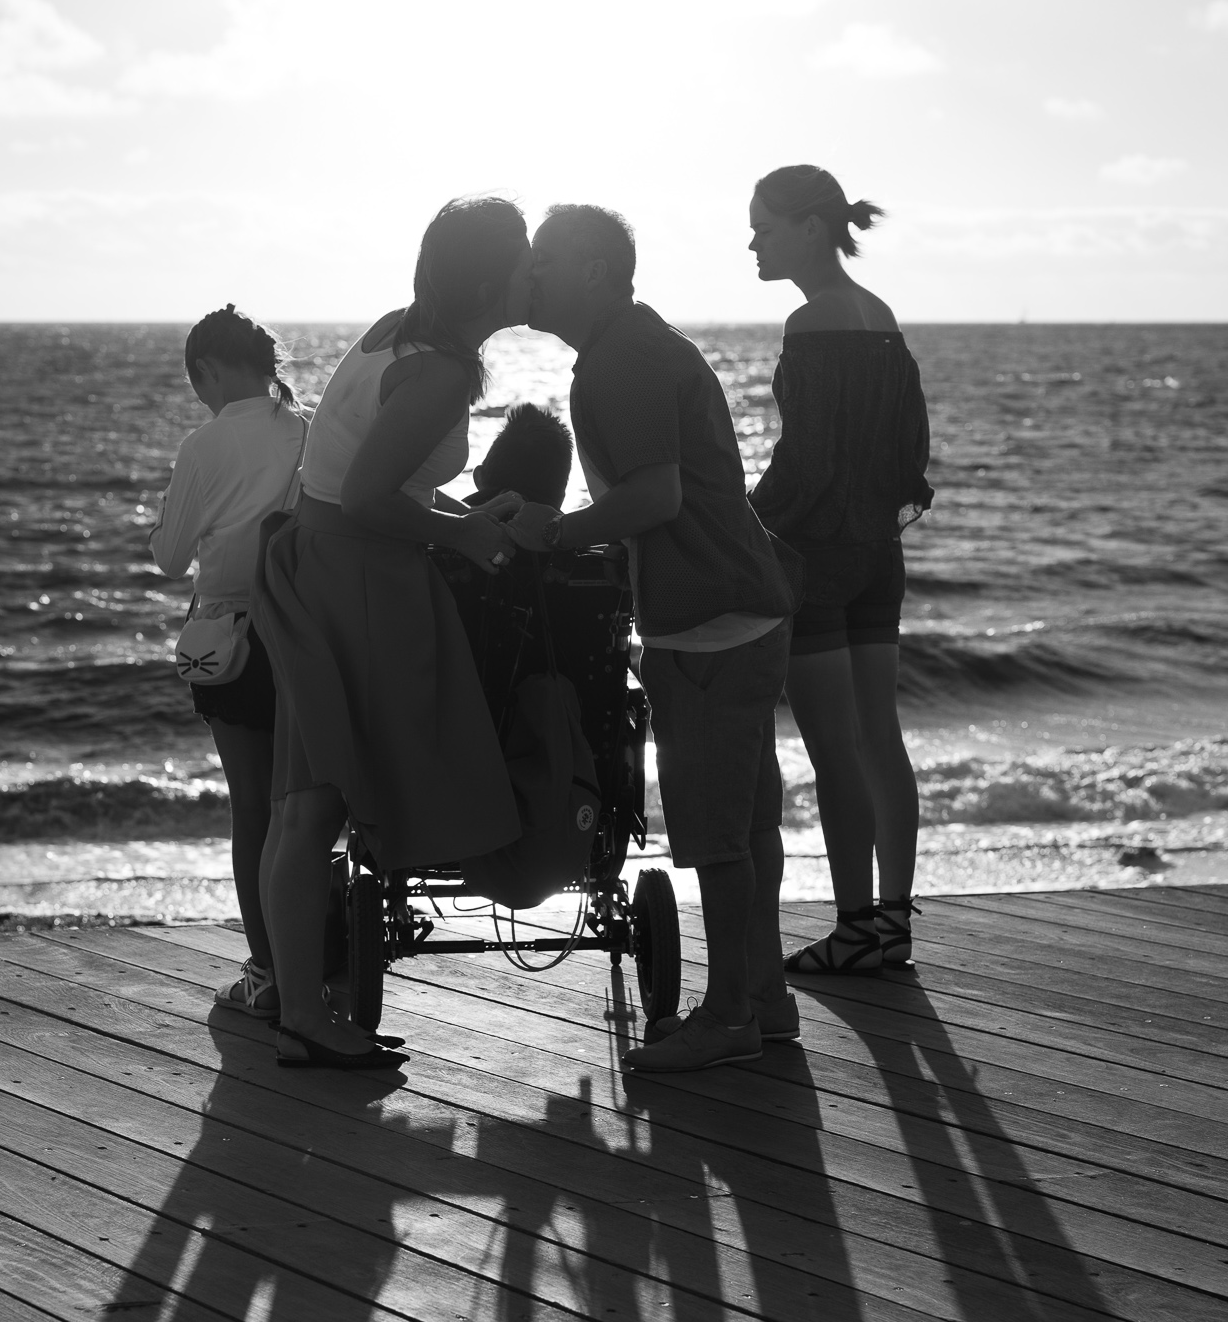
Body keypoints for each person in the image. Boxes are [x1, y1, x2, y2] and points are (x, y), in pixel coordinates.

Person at [507, 204, 802, 1074]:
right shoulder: (639, 344)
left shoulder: (618, 363)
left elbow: (656, 496)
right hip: (743, 607)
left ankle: (728, 1016)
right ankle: (763, 997)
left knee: (716, 834)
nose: (529, 273)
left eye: (546, 259)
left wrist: (553, 533)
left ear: (595, 269)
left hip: (708, 622)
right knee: (747, 825)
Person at [253, 196, 529, 1070]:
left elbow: (357, 479)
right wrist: (466, 534)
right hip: (356, 579)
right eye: (523, 259)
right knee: (316, 800)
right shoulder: (442, 373)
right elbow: (370, 497)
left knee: (302, 798)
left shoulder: (394, 333)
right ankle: (303, 1012)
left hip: (322, 557)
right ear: (490, 279)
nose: (533, 273)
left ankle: (297, 999)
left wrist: (457, 510)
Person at [747, 165, 933, 971]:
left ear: (811, 228)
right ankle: (891, 921)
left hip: (817, 559)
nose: (753, 240)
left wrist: (743, 522)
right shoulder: (880, 317)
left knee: (832, 753)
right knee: (880, 741)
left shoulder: (809, 322)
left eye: (765, 225)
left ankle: (853, 929)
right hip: (876, 556)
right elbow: (910, 450)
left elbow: (803, 461)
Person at [150, 304, 307, 1016]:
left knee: (252, 812)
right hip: (306, 636)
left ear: (210, 370)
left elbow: (168, 557)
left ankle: (268, 975)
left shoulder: (204, 445)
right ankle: (310, 962)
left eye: (199, 386)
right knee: (301, 809)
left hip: (232, 640)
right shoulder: (307, 430)